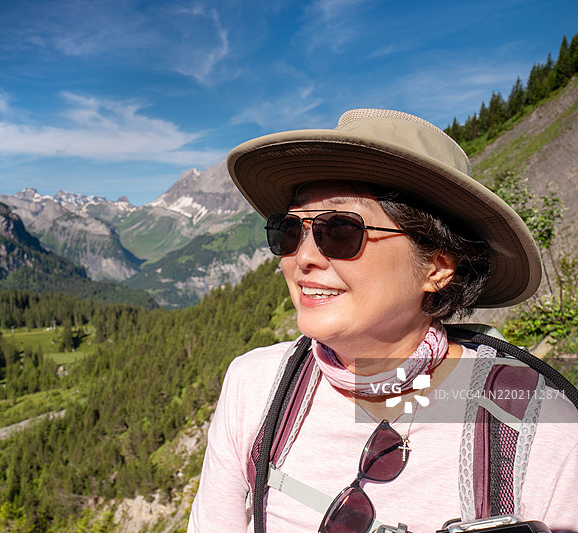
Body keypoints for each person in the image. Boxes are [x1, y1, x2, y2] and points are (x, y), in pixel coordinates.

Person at [187, 109, 578, 533]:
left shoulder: (546, 431)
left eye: (340, 231)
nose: (302, 257)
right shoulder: (253, 386)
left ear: (437, 266)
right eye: (289, 230)